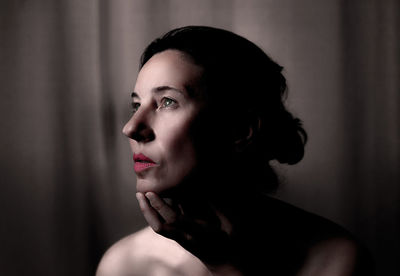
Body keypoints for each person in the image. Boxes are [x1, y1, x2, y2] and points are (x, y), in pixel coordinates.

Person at [96, 26, 372, 275]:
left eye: (167, 102)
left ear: (240, 130)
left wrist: (223, 266)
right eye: (136, 105)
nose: (131, 128)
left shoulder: (334, 259)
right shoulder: (125, 265)